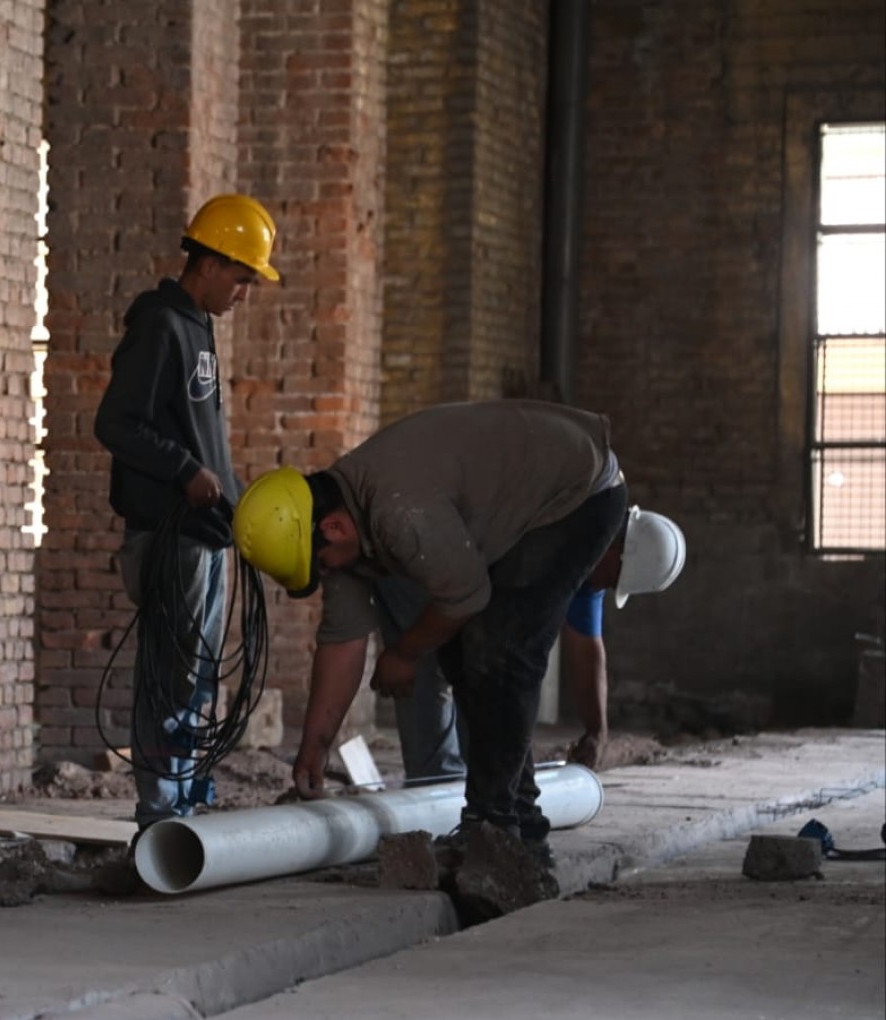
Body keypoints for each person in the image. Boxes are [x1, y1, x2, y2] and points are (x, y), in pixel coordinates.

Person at [233, 400, 684, 866]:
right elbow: (341, 640)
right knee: (464, 649)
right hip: (526, 501)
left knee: (505, 649)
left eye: (323, 564)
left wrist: (404, 653)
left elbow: (466, 598)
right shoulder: (339, 527)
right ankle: (515, 820)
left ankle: (497, 830)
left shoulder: (398, 509)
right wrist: (314, 748)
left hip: (579, 493)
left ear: (332, 527)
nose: (328, 572)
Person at [93, 193, 280, 831]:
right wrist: (185, 472)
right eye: (242, 278)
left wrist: (236, 498)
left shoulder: (198, 325)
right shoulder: (159, 326)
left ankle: (185, 798)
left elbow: (201, 436)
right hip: (170, 537)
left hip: (207, 534)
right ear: (209, 262)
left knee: (198, 677)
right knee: (168, 678)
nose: (245, 293)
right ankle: (159, 813)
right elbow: (116, 424)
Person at [378, 503, 687, 782]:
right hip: (421, 552)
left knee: (473, 678)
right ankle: (435, 787)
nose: (605, 587)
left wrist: (597, 731)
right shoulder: (548, 526)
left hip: (467, 584)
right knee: (430, 666)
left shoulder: (589, 566)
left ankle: (474, 789)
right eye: (613, 580)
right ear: (615, 549)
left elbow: (586, 646)